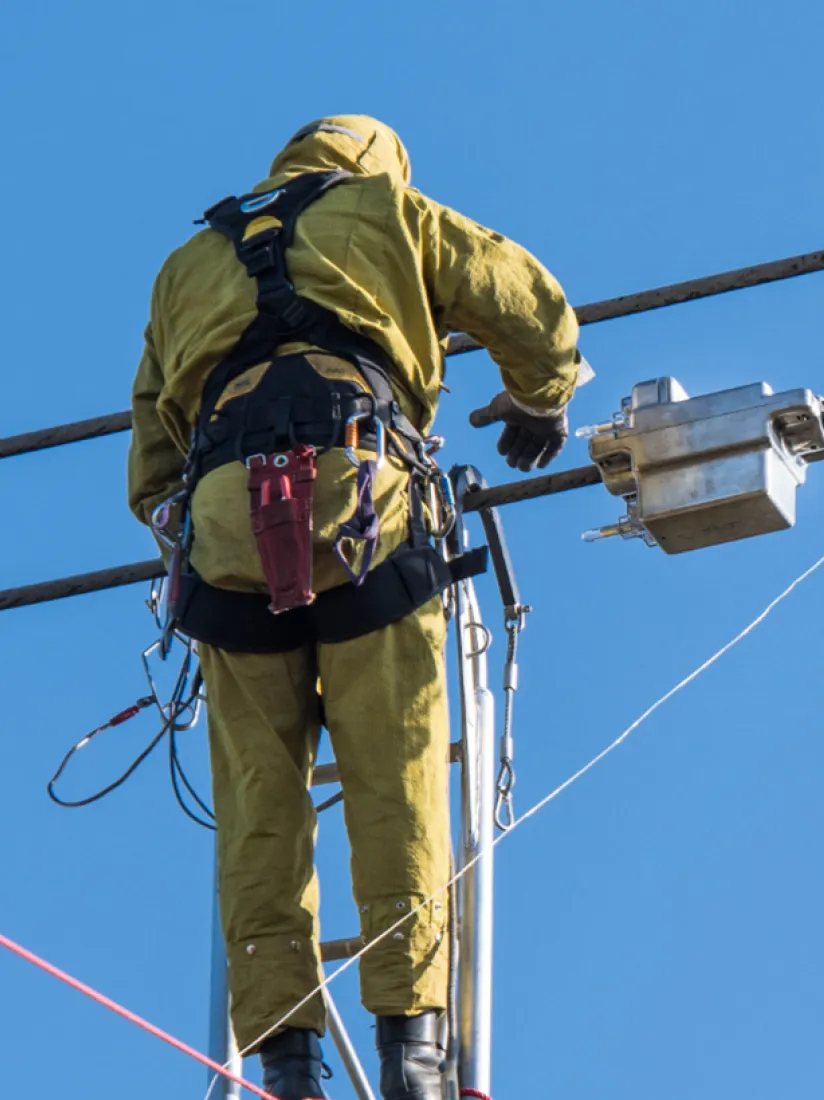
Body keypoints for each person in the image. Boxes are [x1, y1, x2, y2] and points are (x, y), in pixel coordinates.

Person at [128, 115, 586, 1100]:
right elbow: (526, 299)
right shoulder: (387, 208)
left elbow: (150, 469)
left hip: (225, 530)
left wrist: (200, 543)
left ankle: (284, 1060)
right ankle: (411, 1049)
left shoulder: (185, 264)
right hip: (362, 498)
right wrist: (542, 394)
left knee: (260, 810)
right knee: (397, 778)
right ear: (376, 164)